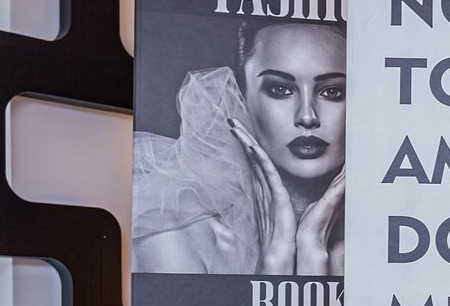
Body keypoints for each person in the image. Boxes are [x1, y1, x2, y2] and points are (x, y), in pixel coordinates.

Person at [132, 20, 345, 276]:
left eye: (332, 92)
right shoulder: (175, 235)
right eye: (280, 89)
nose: (307, 117)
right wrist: (275, 260)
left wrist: (312, 249)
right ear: (242, 98)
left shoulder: (383, 237)